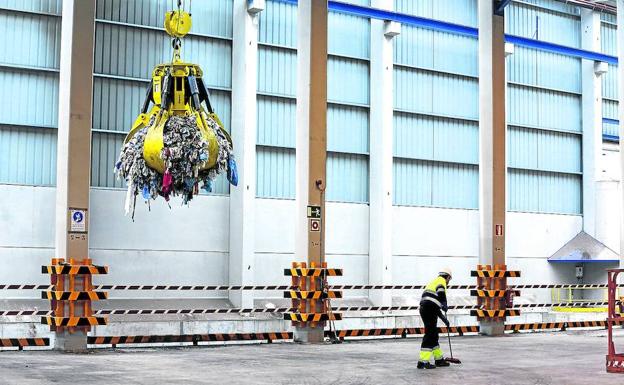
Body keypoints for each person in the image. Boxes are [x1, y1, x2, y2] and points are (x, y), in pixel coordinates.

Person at [417, 268, 452, 369]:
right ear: (448, 277)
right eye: (449, 279)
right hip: (429, 309)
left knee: (433, 334)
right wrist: (444, 303)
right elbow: (441, 291)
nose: (449, 282)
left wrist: (444, 319)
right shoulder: (441, 281)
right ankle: (423, 362)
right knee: (430, 334)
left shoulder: (433, 282)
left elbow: (434, 305)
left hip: (427, 308)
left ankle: (439, 360)